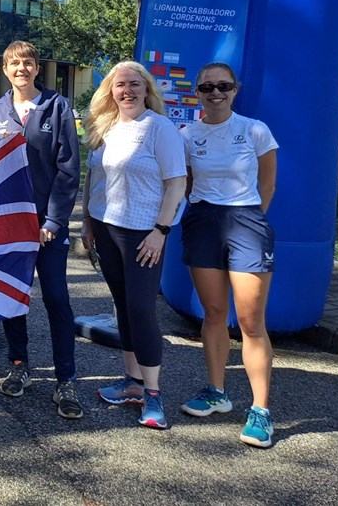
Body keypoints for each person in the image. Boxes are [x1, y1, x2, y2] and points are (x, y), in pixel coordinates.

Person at [81, 60, 186, 430]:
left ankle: (154, 396)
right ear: (110, 90)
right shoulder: (104, 127)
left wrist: (161, 230)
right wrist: (87, 222)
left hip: (143, 233)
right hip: (106, 230)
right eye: (120, 84)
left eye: (134, 84)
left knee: (141, 310)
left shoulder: (160, 128)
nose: (127, 90)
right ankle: (133, 383)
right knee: (122, 309)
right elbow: (93, 176)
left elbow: (177, 183)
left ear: (146, 89)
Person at [0, 41, 83, 418]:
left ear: (37, 68)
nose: (21, 68)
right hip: (9, 222)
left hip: (46, 226)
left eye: (27, 62)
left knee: (56, 298)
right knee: (13, 296)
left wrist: (54, 220)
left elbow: (69, 170)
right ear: (5, 69)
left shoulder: (58, 107)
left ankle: (65, 378)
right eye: (13, 63)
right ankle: (19, 364)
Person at [178, 63, 278, 448]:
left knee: (252, 322)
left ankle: (261, 410)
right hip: (203, 220)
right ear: (197, 92)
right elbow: (186, 183)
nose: (215, 92)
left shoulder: (254, 129)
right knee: (214, 314)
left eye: (223, 86)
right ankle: (217, 391)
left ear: (235, 90)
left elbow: (267, 183)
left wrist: (250, 219)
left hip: (247, 220)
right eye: (207, 86)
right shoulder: (186, 134)